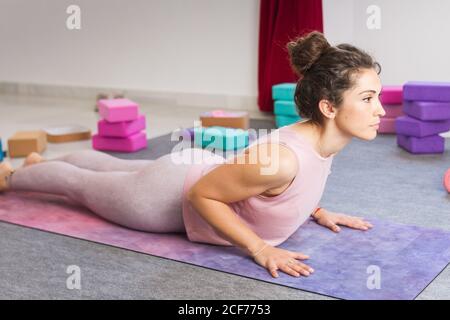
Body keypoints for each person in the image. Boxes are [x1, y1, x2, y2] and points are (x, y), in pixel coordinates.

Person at [0, 31, 383, 279]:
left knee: (111, 168)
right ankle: (11, 177)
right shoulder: (283, 157)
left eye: (377, 96)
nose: (380, 110)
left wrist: (316, 210)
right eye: (368, 99)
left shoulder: (323, 139)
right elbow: (202, 195)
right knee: (80, 186)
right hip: (164, 198)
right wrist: (260, 248)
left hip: (194, 169)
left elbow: (292, 186)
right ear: (328, 107)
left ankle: (38, 164)